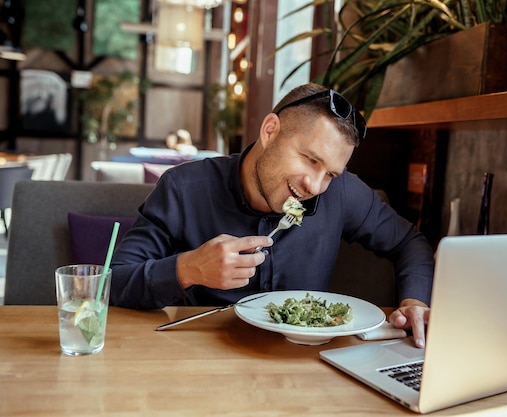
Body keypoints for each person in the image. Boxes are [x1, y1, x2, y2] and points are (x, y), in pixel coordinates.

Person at [111, 83, 434, 348]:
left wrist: (414, 302)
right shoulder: (184, 189)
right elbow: (114, 282)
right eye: (309, 159)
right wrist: (189, 268)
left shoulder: (342, 193)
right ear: (270, 131)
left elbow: (409, 241)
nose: (315, 185)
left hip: (306, 369)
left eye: (330, 174)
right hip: (202, 360)